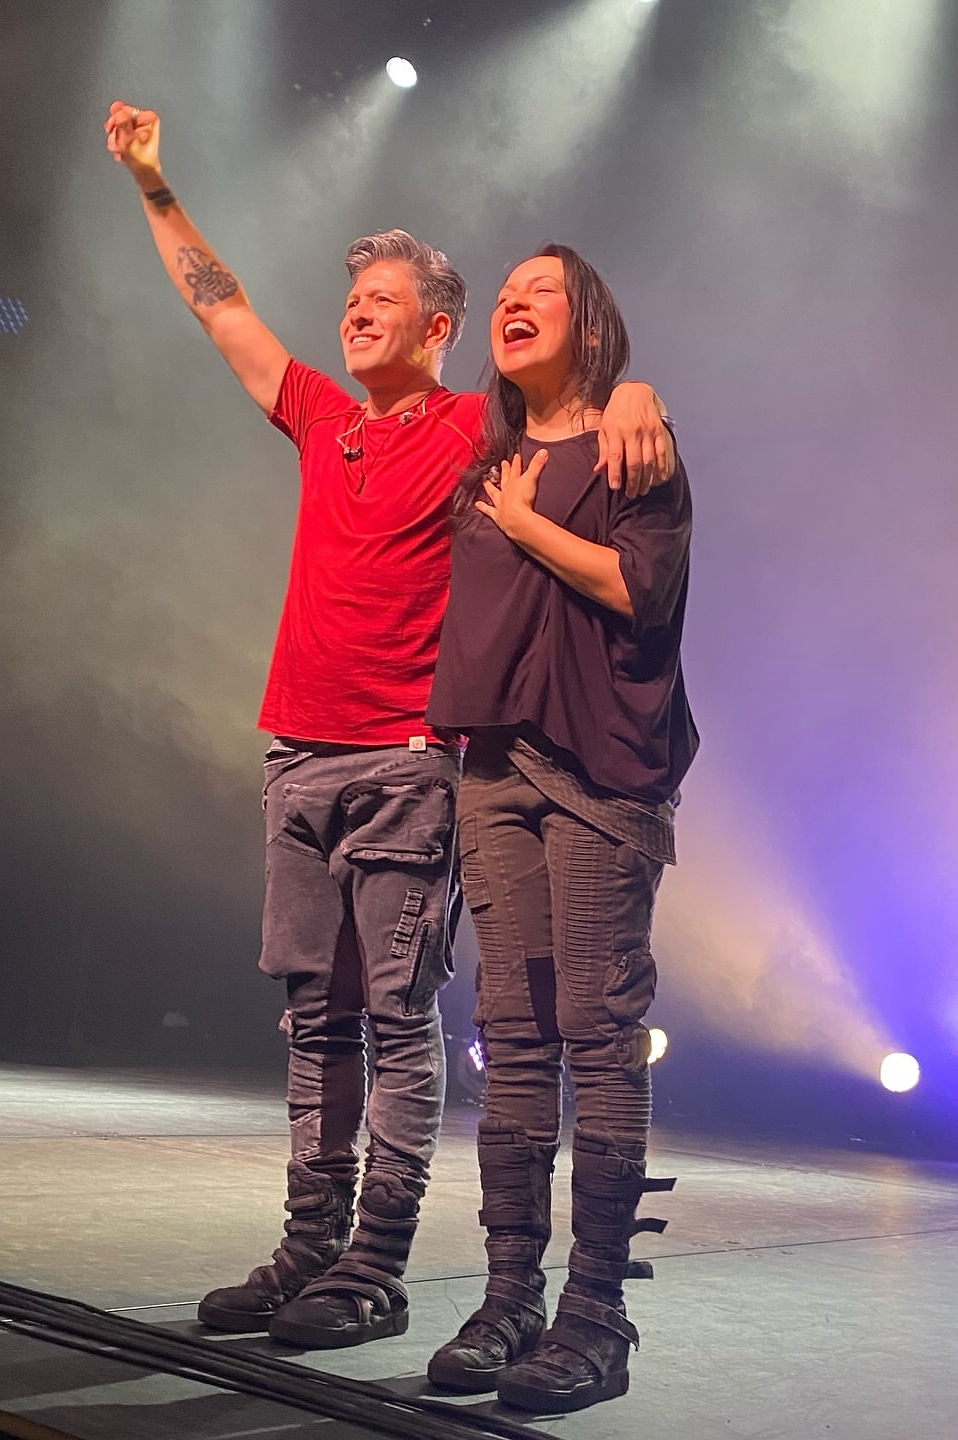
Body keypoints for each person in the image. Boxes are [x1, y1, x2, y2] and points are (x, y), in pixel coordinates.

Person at [103, 103, 675, 1349]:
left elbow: (577, 394)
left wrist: (640, 383)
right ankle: (311, 1242)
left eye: (381, 299)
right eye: (350, 299)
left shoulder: (482, 426)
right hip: (298, 757)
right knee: (315, 1015)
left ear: (440, 327)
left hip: (410, 765)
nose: (354, 314)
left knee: (400, 1017)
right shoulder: (322, 416)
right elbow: (221, 307)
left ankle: (374, 1264)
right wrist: (155, 184)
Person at [424, 245, 697, 1411]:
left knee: (595, 1028)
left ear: (590, 321)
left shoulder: (638, 443)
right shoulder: (485, 463)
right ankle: (507, 1300)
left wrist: (534, 523)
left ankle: (597, 1315)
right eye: (504, 295)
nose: (513, 304)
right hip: (495, 768)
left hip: (599, 773)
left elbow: (642, 593)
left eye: (542, 290)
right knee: (513, 1036)